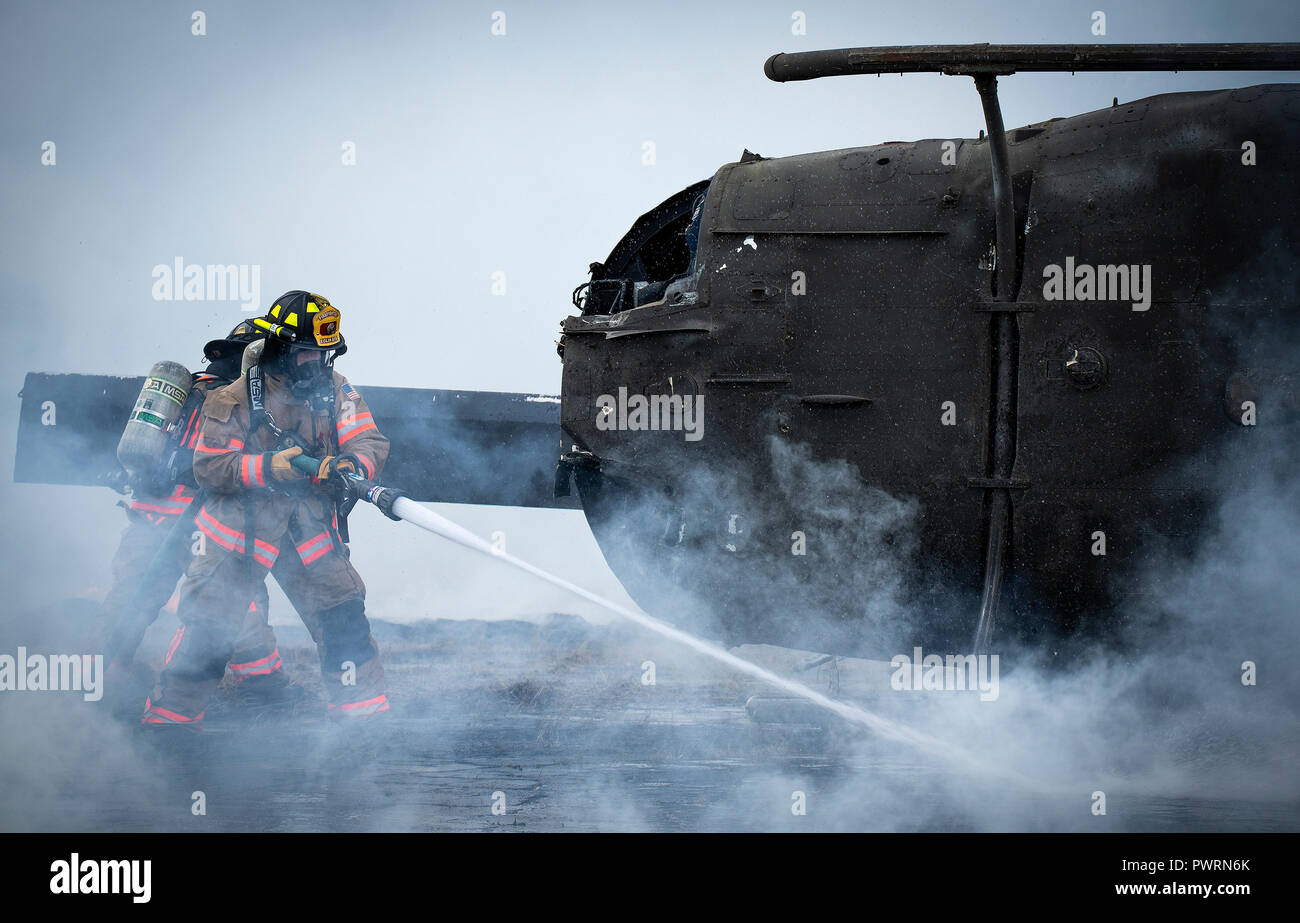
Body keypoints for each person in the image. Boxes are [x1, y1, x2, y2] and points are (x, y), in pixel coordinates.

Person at [143, 292, 390, 727]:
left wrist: (352, 465)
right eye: (308, 353)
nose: (318, 363)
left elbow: (368, 439)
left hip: (308, 529)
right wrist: (268, 468)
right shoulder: (234, 398)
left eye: (325, 354)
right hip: (237, 532)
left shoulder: (336, 389)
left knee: (343, 617)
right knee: (208, 631)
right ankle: (169, 723)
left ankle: (362, 720)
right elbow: (209, 467)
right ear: (283, 350)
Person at [103, 322, 299, 709]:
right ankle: (263, 687)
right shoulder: (242, 400)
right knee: (235, 600)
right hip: (201, 519)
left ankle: (99, 682)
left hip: (150, 515)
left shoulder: (188, 390)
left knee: (129, 601)